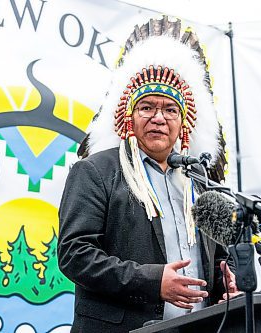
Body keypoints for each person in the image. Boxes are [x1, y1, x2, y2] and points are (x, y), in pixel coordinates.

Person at [58, 16, 239, 332]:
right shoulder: (96, 172)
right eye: (147, 108)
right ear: (129, 116)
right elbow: (76, 254)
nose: (159, 118)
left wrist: (230, 282)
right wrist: (153, 282)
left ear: (183, 123)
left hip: (201, 325)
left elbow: (228, 252)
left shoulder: (201, 179)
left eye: (170, 109)